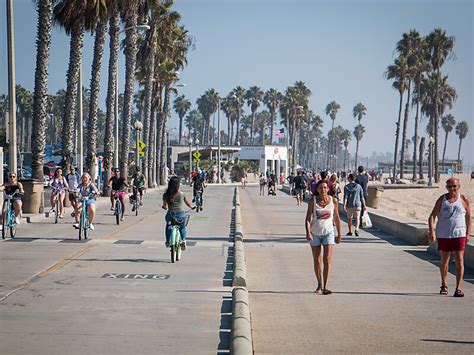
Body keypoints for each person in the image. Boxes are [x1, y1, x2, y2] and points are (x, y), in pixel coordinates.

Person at [428, 177, 471, 297]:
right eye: (449, 187)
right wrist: (432, 231)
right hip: (444, 235)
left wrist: (467, 233)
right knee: (444, 261)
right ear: (446, 187)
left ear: (459, 187)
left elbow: (468, 217)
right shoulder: (442, 199)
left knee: (460, 261)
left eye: (454, 186)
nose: (452, 189)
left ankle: (458, 288)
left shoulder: (463, 199)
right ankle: (444, 284)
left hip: (459, 234)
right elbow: (432, 216)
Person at [305, 180, 342, 294]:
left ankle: (325, 287)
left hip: (329, 233)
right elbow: (307, 219)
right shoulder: (313, 201)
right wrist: (308, 232)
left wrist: (339, 234)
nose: (323, 190)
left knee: (327, 260)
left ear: (328, 189)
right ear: (317, 189)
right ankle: (319, 284)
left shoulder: (333, 201)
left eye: (325, 187)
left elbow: (336, 218)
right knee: (317, 261)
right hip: (315, 234)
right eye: (320, 188)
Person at [162, 176, 194, 249]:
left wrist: (164, 207)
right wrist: (192, 207)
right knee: (182, 227)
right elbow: (188, 204)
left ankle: (167, 241)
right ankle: (183, 240)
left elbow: (164, 205)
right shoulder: (182, 194)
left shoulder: (166, 195)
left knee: (168, 226)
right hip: (180, 216)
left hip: (170, 215)